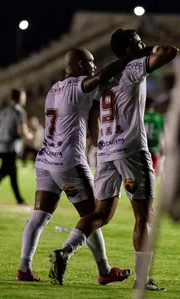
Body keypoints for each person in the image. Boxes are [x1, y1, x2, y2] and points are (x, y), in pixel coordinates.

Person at [49, 29, 178, 291]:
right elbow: (170, 52)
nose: (144, 45)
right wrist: (142, 52)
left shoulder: (105, 81)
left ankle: (65, 252)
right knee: (143, 215)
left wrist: (99, 143)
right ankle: (142, 280)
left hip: (107, 154)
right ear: (130, 47)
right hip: (131, 151)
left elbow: (94, 114)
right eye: (139, 41)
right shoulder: (133, 68)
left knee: (100, 214)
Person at [17, 48, 135, 284]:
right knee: (92, 216)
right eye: (91, 61)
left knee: (39, 216)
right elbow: (100, 77)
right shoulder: (78, 85)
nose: (94, 65)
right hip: (68, 161)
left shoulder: (54, 88)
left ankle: (24, 269)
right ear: (80, 63)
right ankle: (103, 271)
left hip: (46, 159)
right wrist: (127, 59)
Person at [143, 97, 164, 173]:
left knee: (143, 172)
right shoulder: (158, 117)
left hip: (142, 147)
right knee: (152, 172)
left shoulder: (141, 116)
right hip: (155, 147)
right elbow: (163, 132)